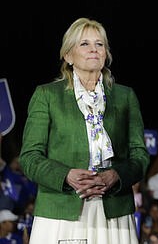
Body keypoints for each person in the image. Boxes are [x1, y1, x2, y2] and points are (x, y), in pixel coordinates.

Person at [19, 17, 150, 244]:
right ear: (68, 56)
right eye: (84, 44)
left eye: (99, 44)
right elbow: (30, 158)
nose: (93, 50)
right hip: (60, 212)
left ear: (106, 54)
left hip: (114, 212)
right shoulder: (47, 96)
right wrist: (66, 176)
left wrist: (116, 175)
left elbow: (140, 156)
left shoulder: (125, 96)